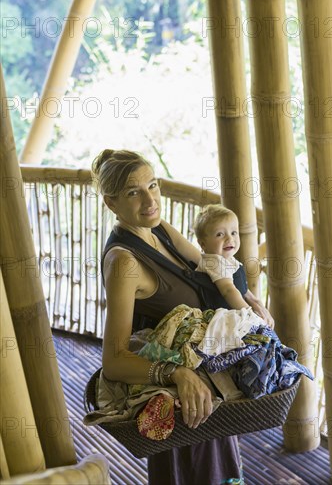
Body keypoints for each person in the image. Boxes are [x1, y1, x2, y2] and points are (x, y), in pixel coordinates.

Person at [91, 149, 274, 485]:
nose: (150, 200)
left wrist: (249, 299)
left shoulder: (157, 227)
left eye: (153, 185)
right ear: (111, 203)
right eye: (134, 192)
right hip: (181, 398)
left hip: (208, 383)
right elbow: (113, 360)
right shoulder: (124, 262)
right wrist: (176, 374)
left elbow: (212, 265)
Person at [193, 204, 267, 313]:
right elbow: (228, 290)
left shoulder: (228, 259)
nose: (229, 238)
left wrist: (256, 303)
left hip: (233, 311)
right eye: (220, 234)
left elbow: (241, 288)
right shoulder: (214, 262)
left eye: (233, 233)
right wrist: (249, 313)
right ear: (203, 244)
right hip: (221, 315)